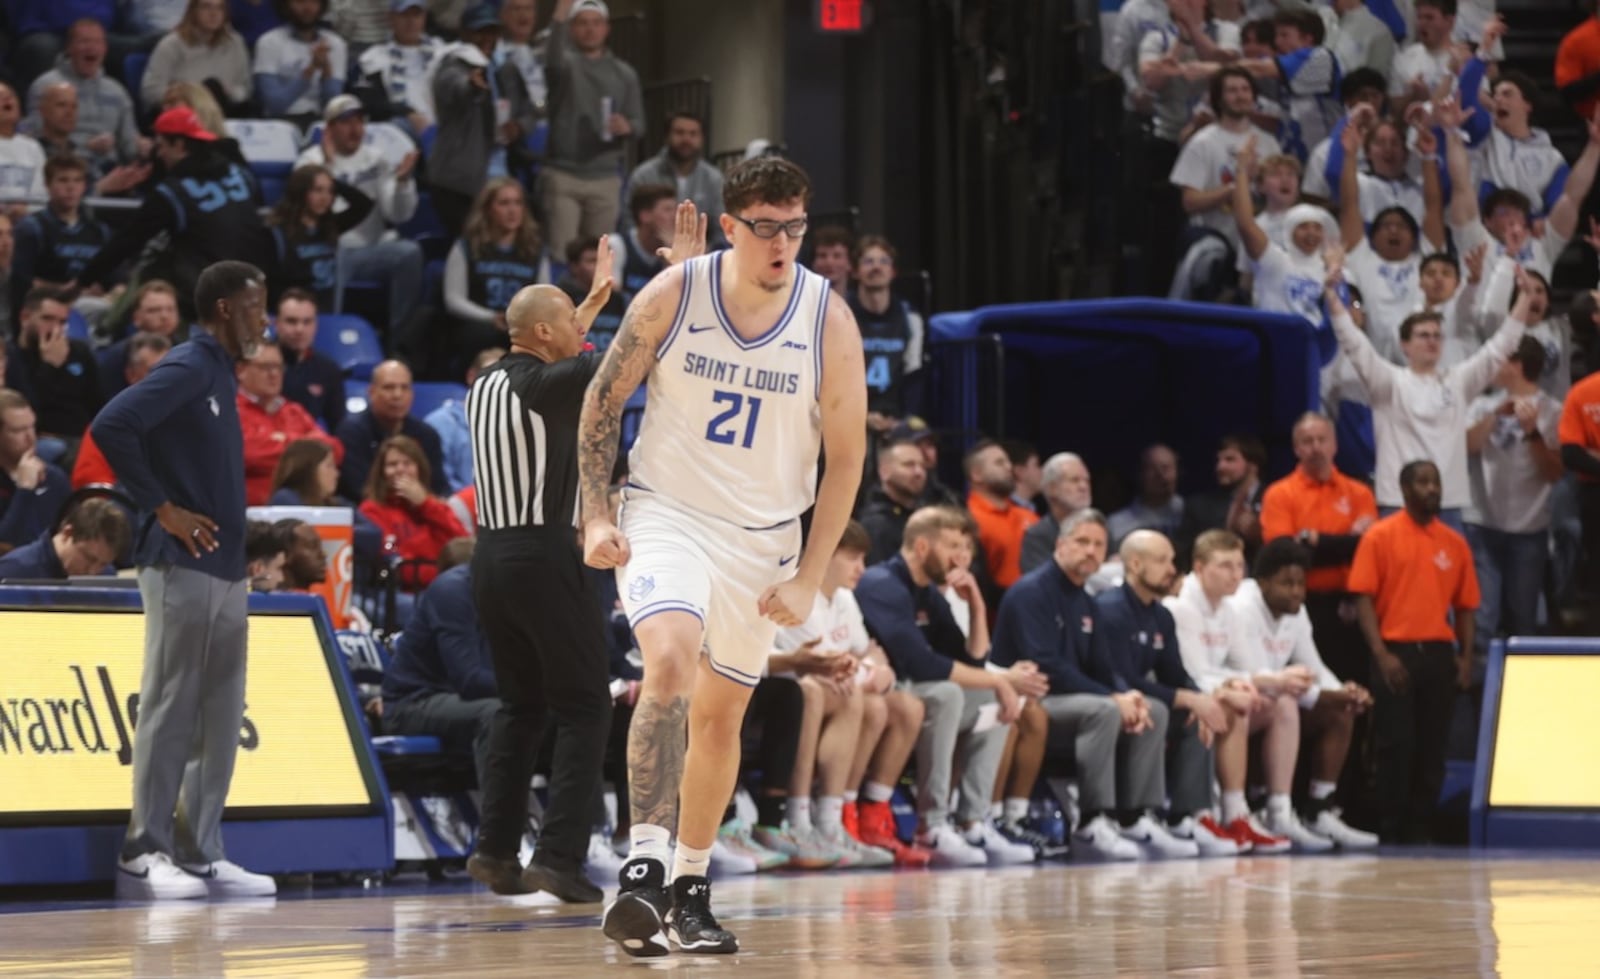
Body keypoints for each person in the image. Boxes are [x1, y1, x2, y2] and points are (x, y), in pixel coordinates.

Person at [578, 157, 866, 957]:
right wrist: (595, 514)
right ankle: (643, 865)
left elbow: (845, 458)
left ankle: (689, 890)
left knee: (720, 717)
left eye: (796, 227)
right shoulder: (674, 292)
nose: (784, 243)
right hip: (667, 511)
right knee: (667, 660)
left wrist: (811, 574)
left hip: (765, 539)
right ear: (731, 226)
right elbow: (604, 400)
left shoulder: (827, 317)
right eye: (767, 227)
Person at [90, 260, 277, 899]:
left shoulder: (222, 373)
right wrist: (160, 506)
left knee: (221, 712)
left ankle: (201, 850)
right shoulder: (190, 364)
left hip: (223, 564)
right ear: (225, 308)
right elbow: (112, 424)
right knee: (171, 705)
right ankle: (144, 850)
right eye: (256, 306)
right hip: (178, 563)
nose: (265, 318)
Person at [461, 270, 620, 902]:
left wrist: (580, 308)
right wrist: (676, 279)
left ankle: (495, 851)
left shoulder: (485, 384)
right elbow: (623, 357)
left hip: (489, 558)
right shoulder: (553, 383)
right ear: (548, 334)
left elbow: (550, 340)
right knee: (587, 706)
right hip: (545, 552)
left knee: (521, 707)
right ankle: (557, 858)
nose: (582, 332)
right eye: (573, 326)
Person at [1348, 459, 1478, 843]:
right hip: (1396, 650)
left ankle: (1422, 823)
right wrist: (1381, 654)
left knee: (1433, 743)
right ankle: (1391, 824)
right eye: (1422, 482)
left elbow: (1467, 605)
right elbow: (1363, 599)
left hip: (1439, 652)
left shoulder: (1454, 543)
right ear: (1405, 491)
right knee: (1395, 742)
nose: (1431, 489)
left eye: (1435, 482)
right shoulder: (1380, 536)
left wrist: (1466, 657)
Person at [1228, 537, 1378, 848]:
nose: (1297, 591)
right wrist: (1328, 695)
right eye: (1287, 583)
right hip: (1242, 699)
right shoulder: (1242, 607)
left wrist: (1345, 692)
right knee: (1276, 702)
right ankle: (1264, 809)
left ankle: (1319, 810)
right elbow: (1259, 677)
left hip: (1276, 698)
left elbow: (1314, 667)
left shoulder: (1296, 611)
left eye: (1300, 583)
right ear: (1263, 582)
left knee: (1339, 710)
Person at [357, 435, 467, 590]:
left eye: (407, 463)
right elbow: (394, 563)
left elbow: (461, 545)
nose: (401, 470)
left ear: (419, 469)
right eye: (392, 464)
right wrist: (442, 575)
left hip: (446, 586)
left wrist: (425, 504)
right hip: (402, 591)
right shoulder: (372, 510)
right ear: (381, 473)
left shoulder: (435, 506)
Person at [0, 496, 127, 578]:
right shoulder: (12, 572)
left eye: (102, 564)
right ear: (67, 533)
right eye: (89, 558)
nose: (92, 572)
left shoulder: (106, 576)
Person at [1019, 452, 1092, 574]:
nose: (1083, 486)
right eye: (1075, 480)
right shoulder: (1038, 536)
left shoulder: (1101, 529)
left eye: (1087, 480)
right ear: (1052, 488)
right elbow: (1041, 583)